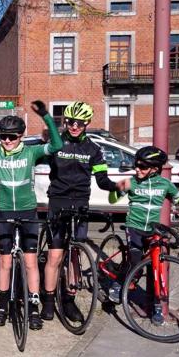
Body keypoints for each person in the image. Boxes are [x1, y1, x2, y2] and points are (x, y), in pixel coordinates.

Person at [0, 100, 63, 331]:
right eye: (3, 137)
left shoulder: (31, 152)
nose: (7, 141)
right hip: (5, 212)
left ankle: (34, 307)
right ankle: (2, 306)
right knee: (5, 262)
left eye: (12, 137)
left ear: (21, 136)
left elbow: (57, 145)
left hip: (27, 211)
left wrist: (46, 116)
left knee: (30, 263)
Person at [41, 101, 119, 323]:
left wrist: (116, 186)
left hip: (81, 203)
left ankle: (69, 300)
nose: (74, 126)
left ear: (87, 123)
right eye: (70, 122)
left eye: (80, 123)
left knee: (75, 253)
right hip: (58, 201)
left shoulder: (93, 149)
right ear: (65, 122)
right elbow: (34, 157)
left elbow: (102, 180)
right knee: (55, 255)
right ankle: (48, 300)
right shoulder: (57, 144)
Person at [109, 146, 179, 324]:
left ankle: (157, 305)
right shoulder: (132, 182)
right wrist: (116, 188)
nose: (137, 169)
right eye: (136, 165)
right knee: (135, 259)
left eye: (142, 167)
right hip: (134, 226)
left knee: (156, 267)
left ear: (155, 169)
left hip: (152, 229)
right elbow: (112, 200)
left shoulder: (164, 184)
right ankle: (118, 284)